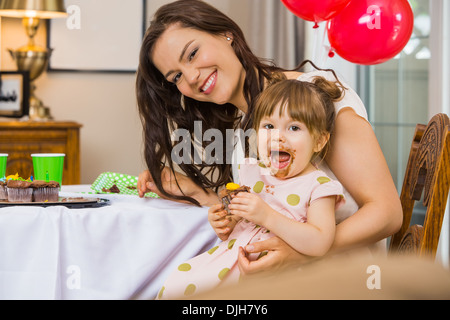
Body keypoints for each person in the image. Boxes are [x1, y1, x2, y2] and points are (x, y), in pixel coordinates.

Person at [136, 0, 402, 276]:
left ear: (226, 34)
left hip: (343, 277)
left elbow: (386, 213)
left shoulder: (314, 99)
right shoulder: (245, 133)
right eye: (176, 76)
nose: (190, 77)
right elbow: (277, 209)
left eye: (192, 54)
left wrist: (299, 253)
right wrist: (195, 191)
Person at [156, 77, 346, 299]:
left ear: (319, 141)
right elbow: (242, 222)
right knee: (178, 283)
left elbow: (320, 242)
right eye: (268, 126)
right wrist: (226, 222)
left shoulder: (319, 186)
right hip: (230, 260)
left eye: (294, 127)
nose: (278, 136)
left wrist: (267, 215)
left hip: (280, 276)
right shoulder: (253, 171)